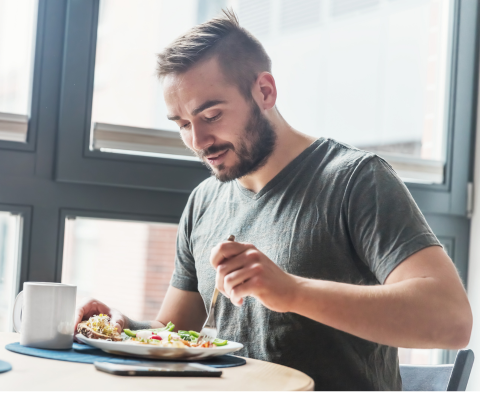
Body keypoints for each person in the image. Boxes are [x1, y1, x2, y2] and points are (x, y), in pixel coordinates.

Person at [75, 10, 472, 390]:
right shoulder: (203, 202)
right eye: (182, 125)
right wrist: (121, 326)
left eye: (211, 115)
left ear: (264, 91)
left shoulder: (356, 179)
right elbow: (177, 333)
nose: (197, 142)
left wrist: (292, 292)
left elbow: (451, 320)